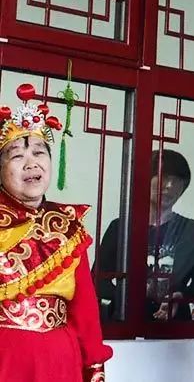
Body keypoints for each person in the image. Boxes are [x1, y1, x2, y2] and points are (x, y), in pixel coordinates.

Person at [0, 83, 112, 381]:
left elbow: (85, 311)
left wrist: (94, 366)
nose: (31, 163)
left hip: (58, 361)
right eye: (16, 156)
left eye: (40, 152)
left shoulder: (67, 225)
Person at [96, 149, 194, 321]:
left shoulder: (193, 231)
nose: (169, 186)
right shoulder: (121, 227)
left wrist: (179, 296)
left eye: (177, 181)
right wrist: (129, 296)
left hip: (175, 330)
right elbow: (98, 281)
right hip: (125, 325)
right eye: (163, 177)